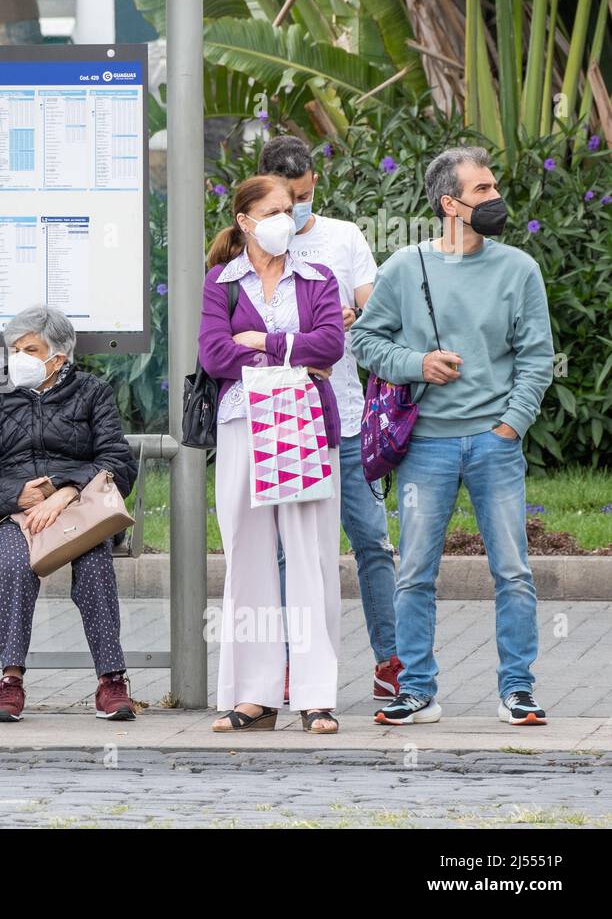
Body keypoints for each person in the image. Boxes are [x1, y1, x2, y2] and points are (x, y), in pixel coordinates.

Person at [351, 146, 554, 727]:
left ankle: (517, 689)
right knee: (415, 571)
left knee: (513, 571)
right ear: (450, 204)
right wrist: (417, 363)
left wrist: (511, 423)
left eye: (493, 187)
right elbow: (365, 341)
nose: (495, 199)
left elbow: (537, 357)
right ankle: (416, 689)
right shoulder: (403, 268)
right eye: (482, 191)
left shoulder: (519, 270)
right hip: (426, 448)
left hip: (495, 443)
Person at [198, 174, 346, 734]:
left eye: (292, 207)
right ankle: (254, 694)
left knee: (309, 558)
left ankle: (315, 696)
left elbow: (330, 344)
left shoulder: (318, 277)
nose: (288, 216)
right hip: (243, 425)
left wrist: (262, 343)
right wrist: (293, 358)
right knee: (248, 556)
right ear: (246, 220)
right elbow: (213, 354)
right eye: (275, 209)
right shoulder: (222, 282)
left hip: (303, 424)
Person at [258, 136, 402, 703]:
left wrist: (352, 310)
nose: (296, 208)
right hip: (282, 419)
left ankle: (391, 660)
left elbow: (377, 305)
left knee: (372, 542)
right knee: (288, 552)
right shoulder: (252, 243)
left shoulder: (343, 237)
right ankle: (293, 667)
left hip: (343, 418)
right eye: (286, 197)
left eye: (304, 195)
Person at [0, 305, 139, 723]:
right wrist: (19, 495)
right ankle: (10, 680)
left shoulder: (91, 392)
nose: (20, 357)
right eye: (14, 348)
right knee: (17, 565)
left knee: (93, 561)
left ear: (59, 354)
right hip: (10, 512)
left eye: (30, 348)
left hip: (79, 508)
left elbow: (118, 464)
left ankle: (111, 679)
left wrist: (65, 490)